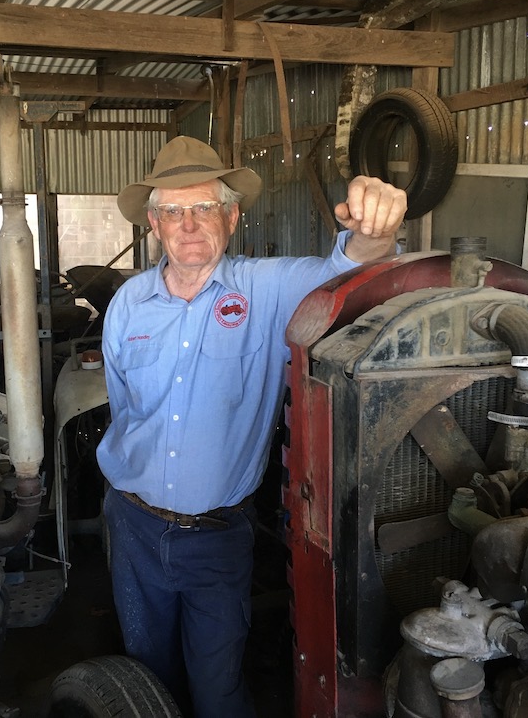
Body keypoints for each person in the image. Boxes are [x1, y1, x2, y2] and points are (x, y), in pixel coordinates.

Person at [96, 135, 406, 717]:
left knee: (218, 690)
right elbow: (125, 408)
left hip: (217, 537)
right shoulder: (127, 303)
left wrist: (375, 226)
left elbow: (353, 269)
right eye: (172, 211)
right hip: (133, 524)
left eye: (205, 207)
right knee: (144, 678)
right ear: (153, 224)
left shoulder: (268, 289)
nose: (189, 224)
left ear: (232, 216)